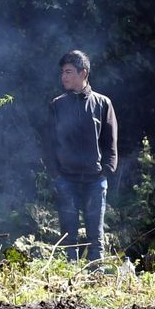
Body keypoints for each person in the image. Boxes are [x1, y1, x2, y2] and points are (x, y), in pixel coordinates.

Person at [44, 49, 117, 262]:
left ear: (83, 73)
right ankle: (70, 278)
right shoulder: (57, 105)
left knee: (96, 236)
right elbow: (48, 144)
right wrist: (55, 174)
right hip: (66, 179)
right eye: (62, 72)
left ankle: (97, 275)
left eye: (68, 72)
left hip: (95, 180)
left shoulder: (102, 103)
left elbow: (110, 142)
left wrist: (107, 172)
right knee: (68, 236)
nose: (63, 77)